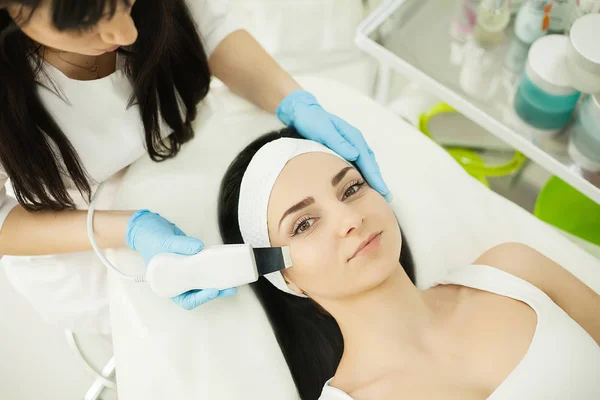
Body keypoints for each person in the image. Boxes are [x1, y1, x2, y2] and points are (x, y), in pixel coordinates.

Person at [0, 0, 391, 330]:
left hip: (198, 165)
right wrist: (129, 230)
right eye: (86, 23)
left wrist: (293, 101)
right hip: (86, 240)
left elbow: (210, 27)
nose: (127, 34)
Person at [218, 127, 600, 400]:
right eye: (304, 224)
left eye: (351, 188)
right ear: (283, 276)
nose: (349, 219)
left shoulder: (515, 271)